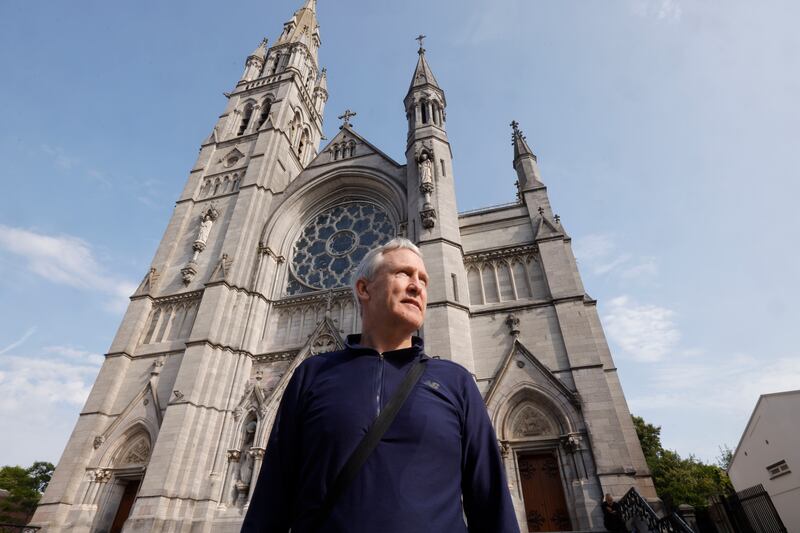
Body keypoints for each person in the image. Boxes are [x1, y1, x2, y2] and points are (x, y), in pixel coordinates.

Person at [242, 238, 519, 532]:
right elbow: (270, 499)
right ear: (364, 289)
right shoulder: (313, 375)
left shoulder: (456, 381)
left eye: (423, 279)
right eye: (403, 273)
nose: (417, 286)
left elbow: (492, 504)